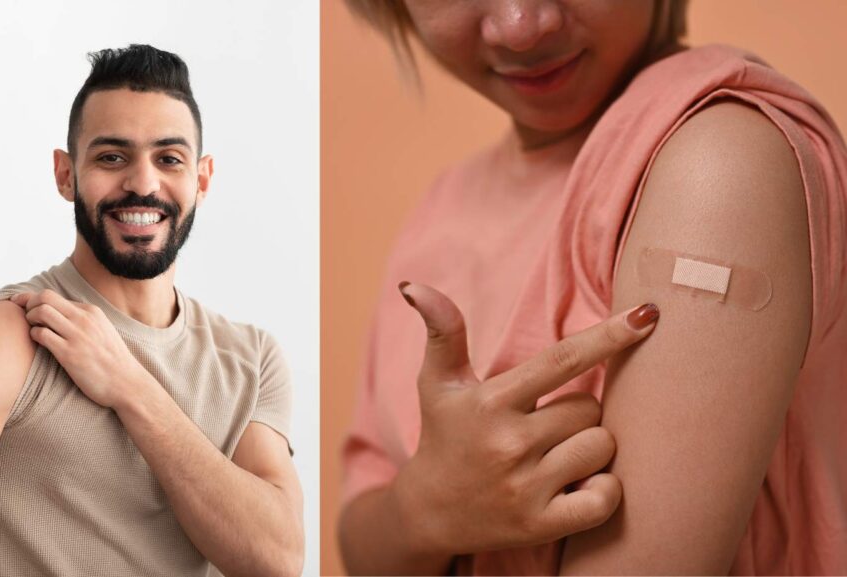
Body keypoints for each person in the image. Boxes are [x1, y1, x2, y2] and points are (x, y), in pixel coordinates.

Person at [338, 1, 847, 574]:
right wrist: (420, 510)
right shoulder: (439, 209)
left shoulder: (719, 166)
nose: (520, 28)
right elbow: (360, 536)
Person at [0, 45, 303, 577]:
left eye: (169, 159)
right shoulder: (3, 334)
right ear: (66, 175)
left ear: (201, 179)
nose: (143, 183)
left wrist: (131, 387)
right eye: (112, 157)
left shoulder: (250, 359)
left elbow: (277, 560)